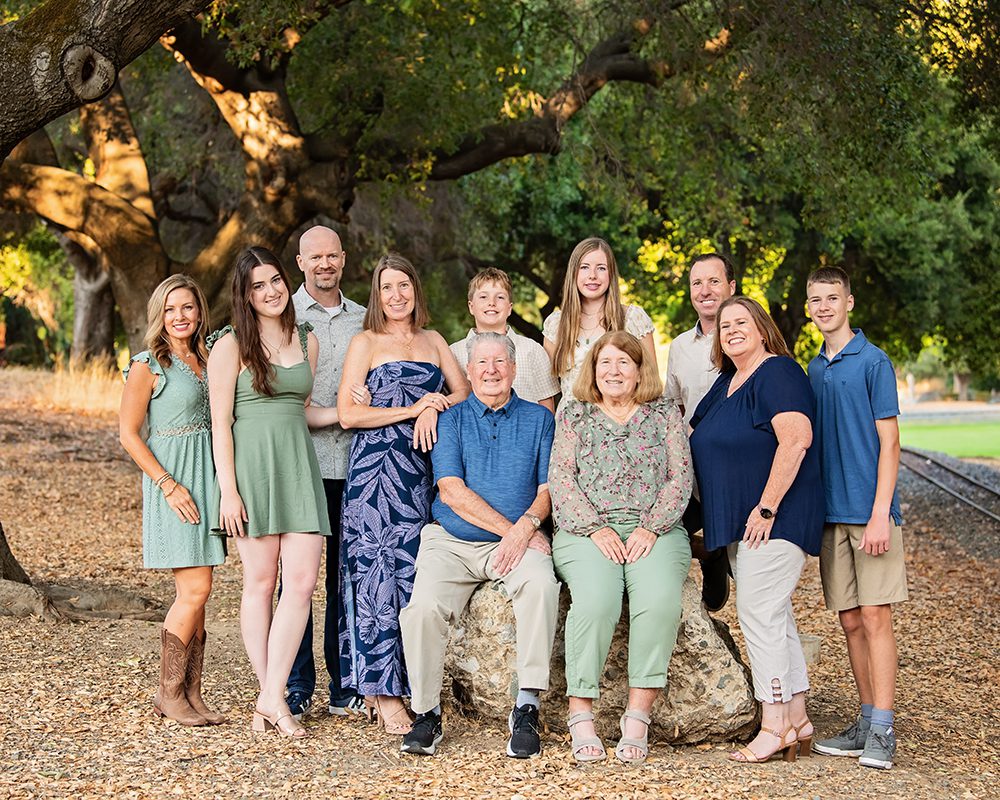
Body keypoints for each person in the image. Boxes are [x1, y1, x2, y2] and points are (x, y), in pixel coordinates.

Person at [399, 332, 559, 758]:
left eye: (500, 362)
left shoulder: (540, 419)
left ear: (514, 369)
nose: (491, 370)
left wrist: (526, 528)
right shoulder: (451, 420)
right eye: (482, 363)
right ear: (468, 371)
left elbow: (548, 490)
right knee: (421, 609)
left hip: (518, 540)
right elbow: (451, 492)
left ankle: (527, 706)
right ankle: (427, 713)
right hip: (452, 541)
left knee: (541, 587)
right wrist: (515, 531)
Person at [337, 252, 469, 735]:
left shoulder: (434, 340)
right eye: (387, 287)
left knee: (413, 578)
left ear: (416, 289)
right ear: (377, 295)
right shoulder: (366, 342)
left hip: (420, 473)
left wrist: (434, 406)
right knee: (376, 578)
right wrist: (413, 409)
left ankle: (412, 686)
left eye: (404, 285)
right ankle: (383, 694)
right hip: (375, 474)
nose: (396, 295)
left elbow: (464, 393)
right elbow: (349, 415)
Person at [689, 296, 824, 764]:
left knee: (759, 614)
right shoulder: (727, 381)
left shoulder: (778, 372)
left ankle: (775, 724)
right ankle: (798, 718)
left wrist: (766, 508)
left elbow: (797, 439)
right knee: (775, 615)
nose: (731, 330)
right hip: (742, 523)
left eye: (741, 322)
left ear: (762, 328)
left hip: (774, 519)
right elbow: (692, 434)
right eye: (725, 325)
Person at [549, 331, 692, 765]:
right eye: (605, 363)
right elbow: (561, 478)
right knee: (596, 601)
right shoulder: (574, 415)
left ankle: (637, 716)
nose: (613, 371)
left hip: (657, 529)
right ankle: (580, 713)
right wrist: (595, 528)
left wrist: (651, 526)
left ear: (639, 370)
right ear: (593, 370)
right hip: (585, 530)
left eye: (623, 362)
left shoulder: (663, 414)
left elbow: (680, 476)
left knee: (659, 601)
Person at [208, 247, 332, 738]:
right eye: (257, 286)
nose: (270, 291)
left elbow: (301, 410)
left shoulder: (307, 338)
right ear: (245, 295)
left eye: (275, 280)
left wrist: (349, 413)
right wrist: (229, 491)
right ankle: (274, 698)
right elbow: (220, 423)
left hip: (298, 469)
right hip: (252, 473)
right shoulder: (230, 346)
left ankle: (269, 697)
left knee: (301, 584)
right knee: (260, 584)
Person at [806, 267, 907, 770]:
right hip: (831, 513)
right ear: (808, 307)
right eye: (815, 300)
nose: (824, 307)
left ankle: (884, 730)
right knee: (849, 620)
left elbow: (891, 443)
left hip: (871, 513)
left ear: (849, 302)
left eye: (832, 298)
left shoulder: (874, 361)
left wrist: (880, 514)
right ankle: (866, 720)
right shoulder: (812, 368)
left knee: (874, 616)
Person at [119, 274, 227, 727]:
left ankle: (190, 692)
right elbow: (128, 434)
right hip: (175, 482)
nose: (179, 316)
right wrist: (168, 483)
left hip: (208, 481)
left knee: (201, 592)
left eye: (187, 307)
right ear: (158, 315)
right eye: (170, 309)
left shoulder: (209, 356)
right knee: (194, 590)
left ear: (200, 310)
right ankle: (168, 694)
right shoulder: (148, 365)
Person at [284, 225, 367, 720]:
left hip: (355, 465)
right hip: (302, 464)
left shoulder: (365, 318)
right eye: (315, 257)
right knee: (296, 580)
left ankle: (344, 683)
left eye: (332, 256)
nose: (324, 264)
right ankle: (295, 684)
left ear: (343, 258)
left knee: (345, 577)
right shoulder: (284, 315)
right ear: (300, 263)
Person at [663, 252, 738, 614]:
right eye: (697, 283)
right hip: (692, 471)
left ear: (731, 287)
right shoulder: (679, 347)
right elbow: (673, 407)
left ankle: (720, 550)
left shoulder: (749, 338)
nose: (705, 290)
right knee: (664, 531)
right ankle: (710, 552)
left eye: (714, 281)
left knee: (753, 574)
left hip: (738, 472)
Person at [543, 237, 656, 403]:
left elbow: (650, 383)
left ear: (611, 274)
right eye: (584, 267)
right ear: (573, 272)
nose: (592, 276)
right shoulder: (556, 324)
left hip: (621, 416)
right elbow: (547, 390)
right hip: (570, 417)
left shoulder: (632, 318)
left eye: (601, 268)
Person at [449, 268, 559, 412]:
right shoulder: (452, 353)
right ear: (471, 306)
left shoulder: (533, 349)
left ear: (509, 308)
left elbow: (546, 406)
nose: (491, 303)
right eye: (483, 297)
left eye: (500, 297)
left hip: (525, 425)